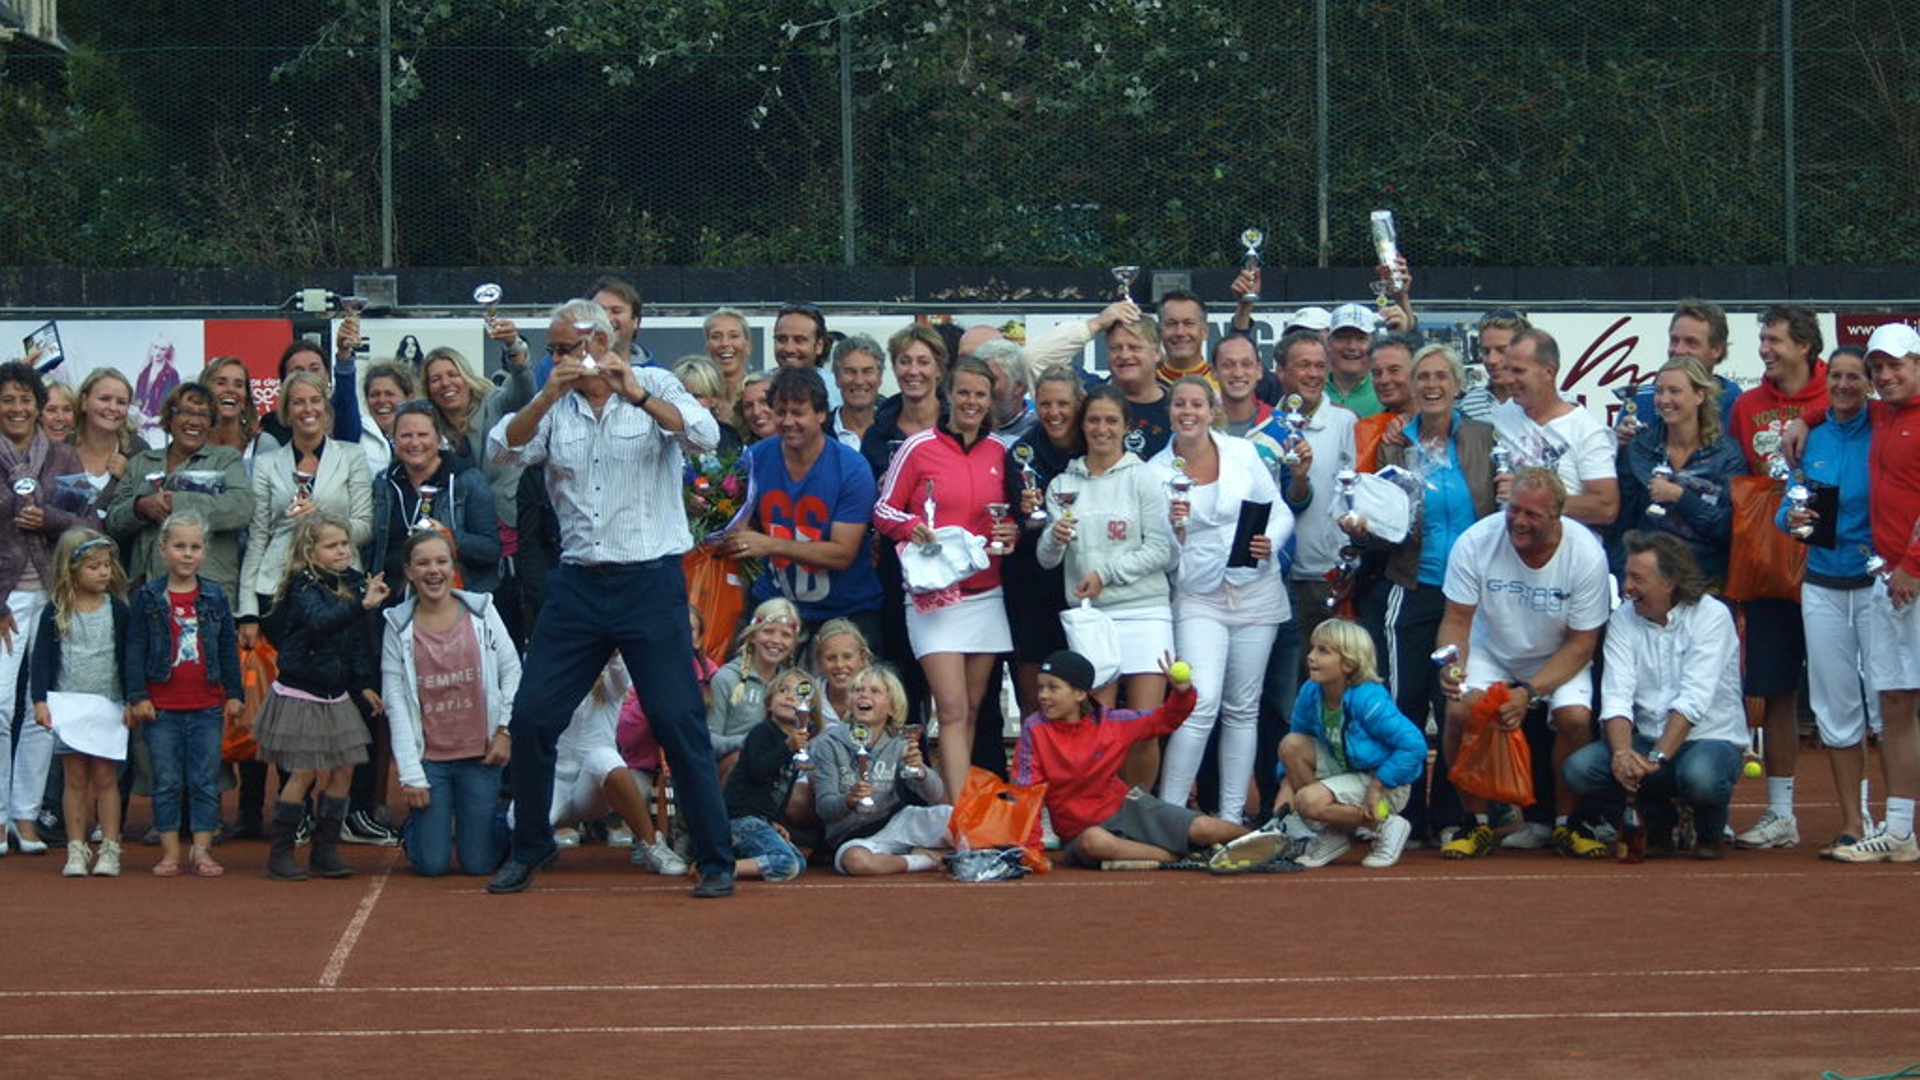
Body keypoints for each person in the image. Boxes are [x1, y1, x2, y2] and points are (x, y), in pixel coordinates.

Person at [486, 297, 735, 897]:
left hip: (649, 581)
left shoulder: (652, 382)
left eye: (566, 348)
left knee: (679, 720)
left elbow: (706, 437)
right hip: (577, 584)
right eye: (553, 349)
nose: (558, 359)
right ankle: (533, 847)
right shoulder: (553, 404)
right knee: (533, 716)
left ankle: (716, 859)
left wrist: (638, 396)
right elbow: (499, 450)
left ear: (601, 342)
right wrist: (545, 394)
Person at [1435, 468, 1611, 859]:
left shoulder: (1586, 554)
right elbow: (1457, 620)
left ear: (1557, 516)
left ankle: (1569, 823)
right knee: (1459, 711)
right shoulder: (1477, 540)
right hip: (1491, 648)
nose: (1518, 521)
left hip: (1558, 652)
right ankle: (1475, 823)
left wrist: (1529, 692)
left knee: (1575, 719)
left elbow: (1583, 644)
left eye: (1532, 515)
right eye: (1514, 509)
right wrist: (1452, 666)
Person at [1360, 344, 1497, 847]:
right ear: (1413, 388)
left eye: (1442, 376)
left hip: (1471, 598)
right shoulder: (1394, 443)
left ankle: (1453, 812)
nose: (1433, 385)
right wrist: (1362, 525)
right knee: (1405, 705)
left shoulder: (1484, 436)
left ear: (1458, 385)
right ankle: (1407, 814)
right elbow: (1383, 524)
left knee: (1457, 705)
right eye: (1423, 378)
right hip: (1411, 587)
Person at [872, 355, 1019, 801]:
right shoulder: (918, 447)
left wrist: (1011, 530)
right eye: (963, 393)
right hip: (935, 597)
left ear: (990, 399)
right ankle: (959, 817)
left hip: (985, 593)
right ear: (947, 395)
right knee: (951, 708)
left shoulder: (1001, 451)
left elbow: (1013, 515)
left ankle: (963, 805)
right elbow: (883, 510)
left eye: (980, 394)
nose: (971, 402)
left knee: (974, 708)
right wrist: (907, 527)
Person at [1153, 376, 1293, 825]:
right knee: (1201, 701)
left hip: (1257, 589)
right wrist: (1174, 532)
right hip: (1198, 596)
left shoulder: (1242, 452)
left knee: (1243, 708)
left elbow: (1281, 510)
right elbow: (1163, 552)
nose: (1188, 412)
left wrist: (1270, 541)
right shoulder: (1154, 471)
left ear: (1212, 410)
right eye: (1179, 404)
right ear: (1170, 411)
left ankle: (1232, 818)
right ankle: (1172, 817)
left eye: (1197, 403)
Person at [1563, 530, 1743, 859]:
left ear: (1669, 582)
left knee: (1701, 777)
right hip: (1646, 739)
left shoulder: (1712, 616)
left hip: (1709, 739)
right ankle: (1658, 821)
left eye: (1637, 578)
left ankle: (1709, 831)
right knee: (1580, 769)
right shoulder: (1622, 619)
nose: (1626, 587)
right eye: (1625, 575)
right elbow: (1616, 696)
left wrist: (1655, 760)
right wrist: (1621, 756)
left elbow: (1694, 700)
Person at [1730, 304, 1828, 851]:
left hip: (1832, 563)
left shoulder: (1831, 395)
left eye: (1775, 340)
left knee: (1853, 695)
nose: (1765, 349)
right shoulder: (1746, 406)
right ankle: (1781, 812)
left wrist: (1810, 419)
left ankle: (1864, 811)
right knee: (1778, 690)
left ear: (1805, 345)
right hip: (1770, 565)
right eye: (1762, 339)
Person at [1777, 347, 1880, 852]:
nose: (1843, 385)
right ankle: (1853, 822)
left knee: (1893, 705)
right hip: (1822, 586)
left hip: (1881, 587)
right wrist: (1789, 520)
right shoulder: (1809, 437)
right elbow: (1788, 504)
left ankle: (1900, 819)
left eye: (1853, 377)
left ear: (1870, 383)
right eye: (1835, 376)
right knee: (1836, 710)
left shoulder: (1886, 428)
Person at [1826, 323, 1920, 863]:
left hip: (1908, 577)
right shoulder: (1881, 411)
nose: (1885, 376)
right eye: (1878, 367)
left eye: (1896, 366)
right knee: (1896, 702)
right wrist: (1804, 419)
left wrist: (1912, 564)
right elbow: (1827, 403)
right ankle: (1901, 831)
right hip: (1890, 584)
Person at [1014, 650, 1244, 866]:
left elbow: (1164, 720)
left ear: (1080, 693)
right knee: (1094, 842)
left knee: (1203, 828)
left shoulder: (1112, 722)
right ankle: (1177, 857)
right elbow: (1027, 793)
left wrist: (1182, 693)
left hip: (1126, 808)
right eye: (1040, 687)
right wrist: (1031, 850)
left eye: (1053, 688)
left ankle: (1271, 839)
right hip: (1080, 834)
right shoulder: (1034, 730)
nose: (1043, 695)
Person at [254, 512, 387, 880]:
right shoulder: (304, 584)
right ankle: (281, 854)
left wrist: (363, 683)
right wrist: (360, 604)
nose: (342, 550)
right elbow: (320, 621)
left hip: (336, 690)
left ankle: (324, 850)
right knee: (304, 771)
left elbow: (358, 642)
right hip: (301, 689)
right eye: (332, 545)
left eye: (345, 543)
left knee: (345, 766)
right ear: (309, 551)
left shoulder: (356, 582)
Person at [380, 530, 517, 877]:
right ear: (409, 571)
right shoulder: (397, 625)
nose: (433, 570)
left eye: (441, 561)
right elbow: (395, 702)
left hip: (480, 756)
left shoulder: (482, 610)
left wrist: (505, 731)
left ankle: (499, 819)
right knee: (431, 865)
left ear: (453, 566)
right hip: (431, 761)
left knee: (479, 863)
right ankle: (423, 828)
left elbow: (513, 671)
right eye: (423, 563)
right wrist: (411, 775)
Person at [1036, 384, 1174, 716]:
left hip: (1145, 611)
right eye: (1094, 420)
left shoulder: (1143, 477)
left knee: (1144, 725)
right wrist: (1055, 537)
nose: (1102, 429)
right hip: (1092, 616)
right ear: (1082, 425)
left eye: (1111, 421)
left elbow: (1161, 550)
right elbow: (1046, 560)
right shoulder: (1063, 485)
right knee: (1098, 726)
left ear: (1127, 426)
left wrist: (1105, 574)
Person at [720, 367, 881, 645]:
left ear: (821, 414)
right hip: (773, 604)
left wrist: (770, 545)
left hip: (845, 609)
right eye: (780, 411)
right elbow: (735, 522)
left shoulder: (851, 468)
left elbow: (843, 554)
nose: (787, 421)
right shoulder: (755, 458)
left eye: (798, 412)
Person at [122, 513, 245, 876]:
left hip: (206, 704)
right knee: (166, 780)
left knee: (204, 779)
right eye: (179, 546)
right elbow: (135, 649)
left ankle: (203, 850)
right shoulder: (147, 597)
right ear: (163, 550)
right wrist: (137, 694)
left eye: (194, 547)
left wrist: (234, 692)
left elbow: (226, 646)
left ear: (205, 551)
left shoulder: (214, 595)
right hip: (162, 707)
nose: (187, 554)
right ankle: (170, 851)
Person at [0, 361, 86, 855]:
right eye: (7, 400)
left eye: (24, 399)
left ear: (37, 405)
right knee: (0, 707)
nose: (17, 408)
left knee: (41, 712)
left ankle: (25, 816)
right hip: (5, 602)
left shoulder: (62, 455)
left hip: (53, 596)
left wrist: (46, 516)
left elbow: (85, 517)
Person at [1281, 619, 1428, 868]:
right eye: (1313, 648)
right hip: (1347, 769)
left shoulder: (1369, 698)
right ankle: (1330, 834)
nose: (1310, 656)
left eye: (1323, 651)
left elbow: (1414, 745)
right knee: (1291, 744)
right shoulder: (1310, 691)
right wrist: (1284, 793)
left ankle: (1385, 824)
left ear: (1349, 664)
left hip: (1386, 782)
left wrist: (1378, 786)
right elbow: (1297, 744)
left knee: (1308, 801)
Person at [237, 371, 374, 635]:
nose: (308, 409)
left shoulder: (352, 456)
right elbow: (258, 538)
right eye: (298, 402)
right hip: (278, 590)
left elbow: (364, 528)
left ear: (326, 406)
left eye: (315, 400)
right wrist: (248, 610)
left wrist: (321, 519)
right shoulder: (267, 464)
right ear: (286, 411)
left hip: (340, 588)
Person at [29, 531, 131, 877]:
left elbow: (129, 658)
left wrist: (133, 699)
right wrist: (40, 701)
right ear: (72, 570)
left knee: (105, 777)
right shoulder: (55, 611)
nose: (104, 572)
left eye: (107, 565)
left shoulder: (118, 610)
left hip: (109, 704)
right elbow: (40, 659)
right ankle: (76, 848)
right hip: (69, 705)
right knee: (74, 778)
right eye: (94, 566)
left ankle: (110, 848)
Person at [1614, 356, 1743, 582]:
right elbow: (1622, 523)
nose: (1664, 400)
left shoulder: (1727, 455)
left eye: (1674, 391)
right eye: (1659, 391)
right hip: (1650, 581)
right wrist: (1624, 575)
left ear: (1699, 395)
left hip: (1706, 581)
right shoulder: (1640, 447)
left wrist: (1681, 497)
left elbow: (1727, 529)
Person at [813, 664, 950, 875]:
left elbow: (935, 794)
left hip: (898, 820)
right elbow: (825, 810)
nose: (864, 695)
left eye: (875, 691)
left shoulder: (900, 742)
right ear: (850, 701)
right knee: (856, 862)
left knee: (958, 819)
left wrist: (920, 771)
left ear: (892, 707)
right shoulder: (828, 744)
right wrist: (849, 800)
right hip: (854, 835)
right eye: (858, 690)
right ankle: (927, 860)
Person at [1003, 364, 1082, 719]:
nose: (1054, 413)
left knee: (1085, 692)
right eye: (1045, 404)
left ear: (1078, 403)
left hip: (1085, 581)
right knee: (1035, 697)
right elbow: (1020, 522)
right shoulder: (1022, 453)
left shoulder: (1094, 442)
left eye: (1063, 404)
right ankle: (1032, 770)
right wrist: (1023, 517)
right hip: (1033, 586)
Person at [367, 402, 501, 599]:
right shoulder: (383, 482)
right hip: (392, 598)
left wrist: (449, 537)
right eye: (406, 435)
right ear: (394, 439)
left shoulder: (468, 479)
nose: (414, 443)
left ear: (438, 438)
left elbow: (490, 549)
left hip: (455, 597)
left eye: (422, 435)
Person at [1488, 328, 1619, 528]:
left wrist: (1530, 498)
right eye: (1507, 369)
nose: (1508, 379)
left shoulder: (1587, 430)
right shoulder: (1498, 417)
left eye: (1518, 371)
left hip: (1568, 551)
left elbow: (1606, 507)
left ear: (1549, 372)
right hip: (1509, 550)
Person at [719, 667, 816, 882]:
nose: (790, 697)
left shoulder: (797, 744)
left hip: (760, 819)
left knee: (798, 861)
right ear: (769, 701)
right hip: (740, 818)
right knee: (785, 863)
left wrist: (774, 822)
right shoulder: (762, 732)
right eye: (783, 691)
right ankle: (719, 866)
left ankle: (732, 861)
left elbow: (778, 792)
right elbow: (758, 773)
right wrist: (786, 748)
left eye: (800, 693)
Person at [707, 598, 801, 776]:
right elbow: (708, 740)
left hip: (779, 767)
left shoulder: (794, 684)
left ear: (794, 644)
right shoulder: (726, 678)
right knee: (738, 759)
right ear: (752, 635)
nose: (776, 640)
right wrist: (749, 742)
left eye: (786, 635)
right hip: (733, 772)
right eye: (768, 631)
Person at [69, 367, 148, 525]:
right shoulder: (61, 445)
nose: (113, 408)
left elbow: (149, 507)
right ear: (84, 402)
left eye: (121, 402)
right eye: (104, 399)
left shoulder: (138, 449)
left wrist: (129, 477)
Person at [1103, 316, 1173, 459]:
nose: (1124, 355)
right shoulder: (1089, 401)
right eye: (1115, 348)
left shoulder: (1178, 405)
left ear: (1157, 353)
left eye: (1135, 347)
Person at [1352, 335, 1416, 472]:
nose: (1384, 380)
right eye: (1377, 373)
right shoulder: (1367, 429)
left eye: (1394, 370)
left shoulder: (1448, 424)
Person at [1459, 310, 1527, 422]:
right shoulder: (1469, 406)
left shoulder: (1546, 404)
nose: (1492, 360)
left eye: (1502, 350)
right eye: (1485, 351)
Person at [671, 355, 744, 455]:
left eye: (697, 396)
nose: (688, 402)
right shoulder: (660, 433)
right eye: (683, 395)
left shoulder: (728, 436)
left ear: (714, 399)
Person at [1324, 303, 1382, 418]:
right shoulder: (1312, 389)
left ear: (1373, 344)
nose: (1352, 347)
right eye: (1342, 338)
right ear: (1329, 343)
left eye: (1361, 339)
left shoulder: (1386, 390)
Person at [359, 361, 416, 478]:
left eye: (390, 394)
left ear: (409, 399)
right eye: (374, 395)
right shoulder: (356, 436)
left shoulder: (427, 437)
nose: (381, 400)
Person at [828, 334, 884, 449]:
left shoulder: (895, 431)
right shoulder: (819, 432)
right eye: (850, 371)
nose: (859, 381)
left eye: (867, 371)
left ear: (880, 377)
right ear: (837, 378)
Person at [703, 307, 753, 430]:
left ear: (748, 347)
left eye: (734, 336)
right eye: (716, 336)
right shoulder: (696, 400)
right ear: (707, 347)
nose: (725, 343)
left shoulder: (761, 399)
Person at [1154, 290, 1214, 386]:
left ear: (1204, 331)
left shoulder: (1222, 383)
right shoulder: (1145, 385)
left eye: (1188, 323)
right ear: (1159, 331)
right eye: (1171, 323)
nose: (1180, 332)